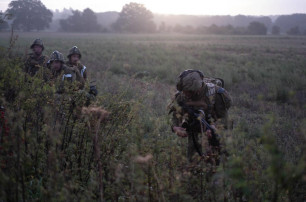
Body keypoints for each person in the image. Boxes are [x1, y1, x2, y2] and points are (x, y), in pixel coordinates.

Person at [169, 69, 232, 163]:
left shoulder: (216, 94)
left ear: (197, 89)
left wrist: (215, 127)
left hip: (215, 133)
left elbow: (225, 120)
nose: (186, 94)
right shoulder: (181, 96)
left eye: (189, 92)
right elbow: (175, 115)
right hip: (194, 132)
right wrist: (175, 128)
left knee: (219, 161)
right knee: (193, 162)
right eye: (184, 91)